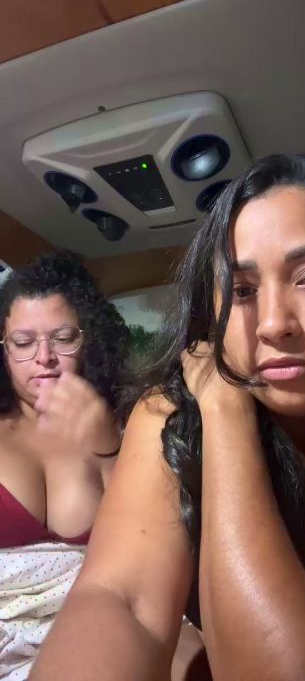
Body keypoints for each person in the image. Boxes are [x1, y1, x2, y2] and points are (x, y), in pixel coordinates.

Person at [31, 154, 305, 681]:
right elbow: (120, 598)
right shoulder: (173, 415)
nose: (273, 324)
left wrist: (226, 413)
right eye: (243, 291)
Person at [0, 250, 131, 678]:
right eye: (23, 343)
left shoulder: (127, 423)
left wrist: (108, 444)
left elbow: (147, 544)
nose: (44, 357)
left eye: (62, 338)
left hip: (102, 628)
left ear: (89, 338)